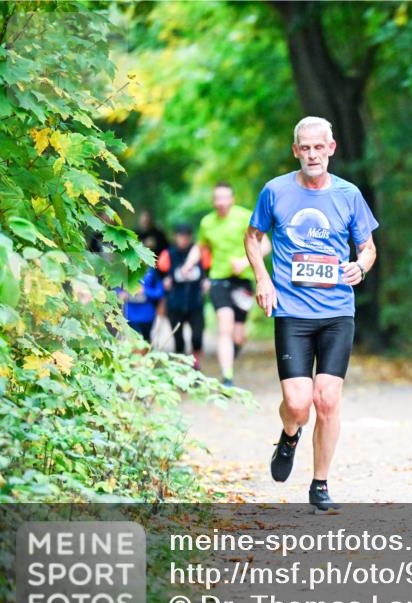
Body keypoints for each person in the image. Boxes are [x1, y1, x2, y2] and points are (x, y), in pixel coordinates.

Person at [246, 116, 378, 513]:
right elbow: (253, 237)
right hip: (292, 312)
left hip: (337, 312)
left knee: (327, 399)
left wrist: (361, 267)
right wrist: (263, 278)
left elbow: (368, 247)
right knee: (298, 404)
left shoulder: (349, 194)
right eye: (305, 147)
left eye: (319, 147)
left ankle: (320, 483)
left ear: (331, 148)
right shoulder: (276, 191)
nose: (312, 154)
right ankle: (289, 435)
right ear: (295, 151)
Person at [191, 183, 256, 387]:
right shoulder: (207, 222)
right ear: (213, 201)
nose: (221, 202)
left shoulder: (246, 217)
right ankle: (227, 378)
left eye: (225, 198)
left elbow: (265, 245)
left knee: (239, 335)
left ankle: (231, 355)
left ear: (232, 199)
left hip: (242, 281)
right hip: (218, 279)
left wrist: (244, 262)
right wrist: (188, 264)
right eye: (217, 198)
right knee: (224, 326)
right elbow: (200, 247)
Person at [157, 224, 209, 369]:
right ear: (176, 237)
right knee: (178, 339)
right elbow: (159, 274)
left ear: (190, 237)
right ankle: (180, 367)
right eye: (181, 236)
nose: (183, 239)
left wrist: (207, 281)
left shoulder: (200, 253)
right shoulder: (168, 254)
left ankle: (196, 365)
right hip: (175, 303)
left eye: (186, 236)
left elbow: (208, 270)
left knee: (197, 337)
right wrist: (164, 282)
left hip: (195, 302)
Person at [118, 267, 164, 343]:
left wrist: (145, 291)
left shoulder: (152, 271)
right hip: (130, 315)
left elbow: (160, 292)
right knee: (133, 343)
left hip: (147, 316)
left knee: (146, 342)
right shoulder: (125, 268)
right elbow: (117, 289)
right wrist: (122, 294)